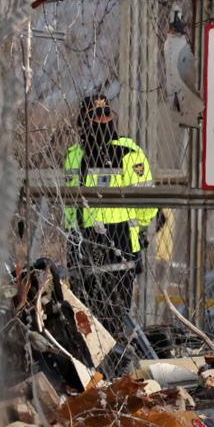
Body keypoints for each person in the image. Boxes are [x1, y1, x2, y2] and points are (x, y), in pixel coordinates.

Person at [61, 93, 160, 333]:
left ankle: (110, 359)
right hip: (90, 241)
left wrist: (139, 229)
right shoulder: (75, 154)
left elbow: (146, 200)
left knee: (108, 314)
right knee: (91, 314)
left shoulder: (126, 152)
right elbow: (70, 204)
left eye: (106, 114)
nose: (103, 120)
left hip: (115, 240)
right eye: (96, 115)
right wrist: (71, 236)